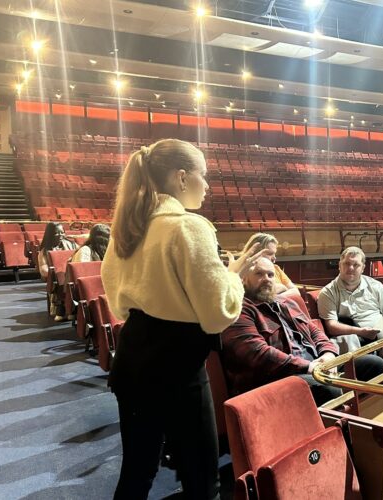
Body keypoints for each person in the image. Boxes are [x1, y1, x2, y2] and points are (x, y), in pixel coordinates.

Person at [101, 139, 262, 500]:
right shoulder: (189, 227)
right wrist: (233, 276)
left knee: (138, 471)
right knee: (201, 478)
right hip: (178, 368)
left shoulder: (127, 228)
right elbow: (216, 314)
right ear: (181, 177)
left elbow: (118, 302)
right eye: (204, 176)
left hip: (132, 360)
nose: (208, 186)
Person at [221, 257, 383, 405]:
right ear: (244, 279)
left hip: (314, 366)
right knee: (328, 389)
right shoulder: (239, 309)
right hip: (276, 377)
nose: (267, 279)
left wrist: (328, 355)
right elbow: (257, 353)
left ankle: (365, 425)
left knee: (373, 364)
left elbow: (316, 332)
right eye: (259, 274)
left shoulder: (286, 303)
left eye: (270, 275)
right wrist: (309, 367)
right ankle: (344, 433)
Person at [317, 246, 383, 366]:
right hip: (357, 345)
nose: (350, 268)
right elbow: (331, 326)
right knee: (374, 364)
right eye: (346, 263)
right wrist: (361, 331)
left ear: (363, 268)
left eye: (356, 264)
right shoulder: (328, 292)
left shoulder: (376, 286)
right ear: (339, 265)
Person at [37, 222, 78, 321]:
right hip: (56, 277)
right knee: (61, 279)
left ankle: (72, 309)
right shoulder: (44, 251)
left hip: (70, 275)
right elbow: (43, 269)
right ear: (50, 234)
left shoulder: (72, 245)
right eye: (57, 233)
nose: (61, 235)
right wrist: (55, 273)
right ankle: (62, 309)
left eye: (62, 232)